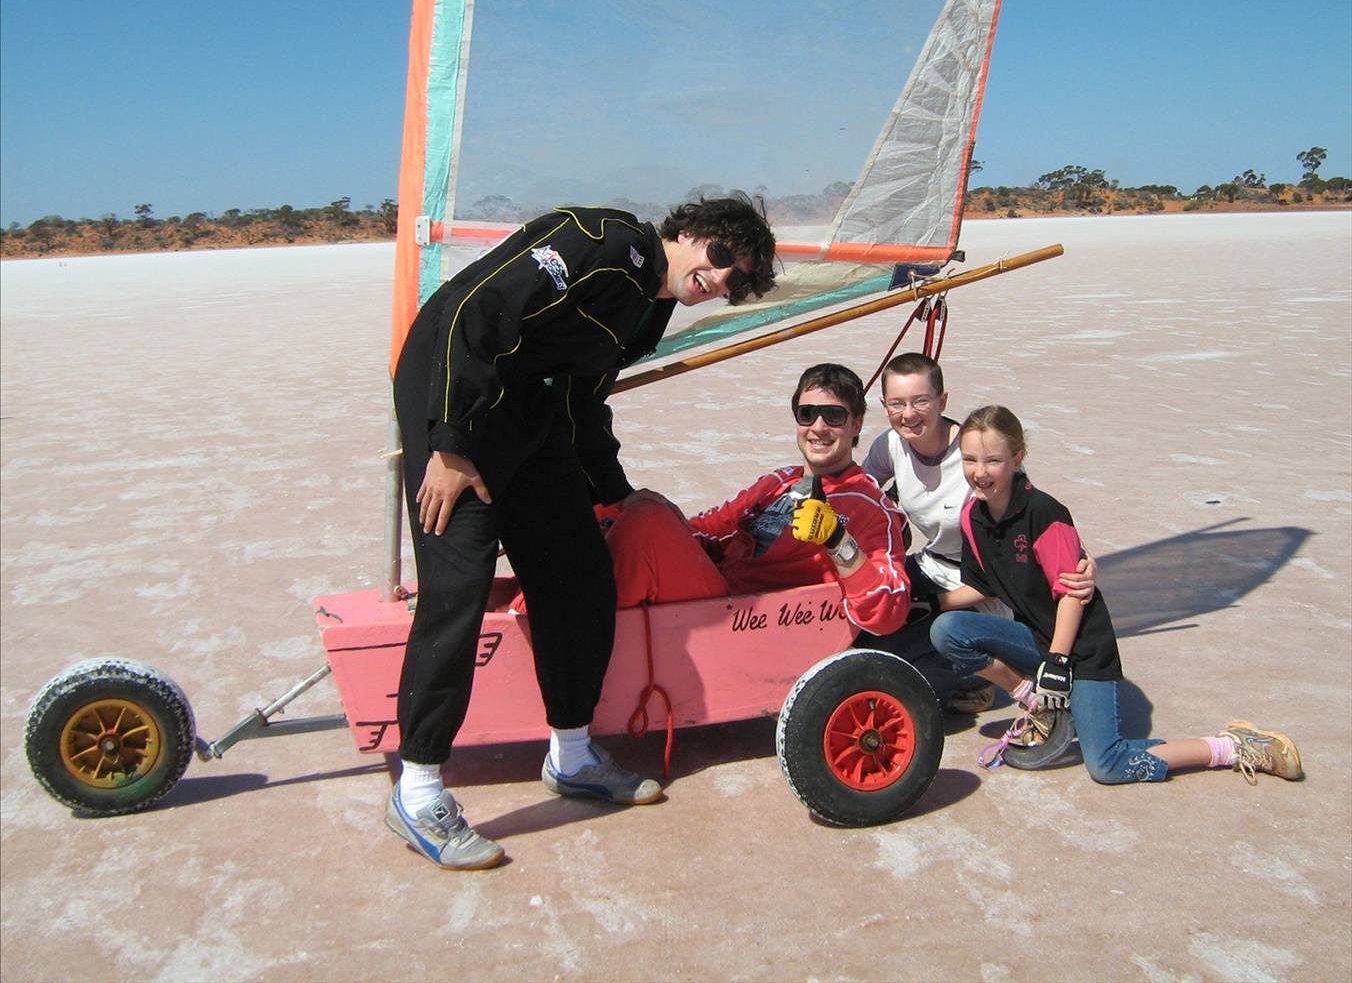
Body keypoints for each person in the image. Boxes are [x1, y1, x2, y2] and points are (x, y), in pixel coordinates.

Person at [387, 195, 777, 869]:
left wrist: (611, 492)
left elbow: (580, 398)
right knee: (458, 584)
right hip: (453, 390)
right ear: (688, 232)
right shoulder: (601, 241)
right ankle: (417, 790)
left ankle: (571, 755)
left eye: (736, 280)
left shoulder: (647, 308)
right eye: (720, 257)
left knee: (579, 572)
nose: (720, 280)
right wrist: (449, 444)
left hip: (527, 415)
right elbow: (477, 310)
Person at [929, 405, 1303, 785]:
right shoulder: (973, 516)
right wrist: (929, 603)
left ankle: (1233, 746)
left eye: (993, 460)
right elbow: (984, 586)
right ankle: (1036, 701)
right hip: (1036, 639)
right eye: (970, 459)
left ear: (1017, 458)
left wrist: (1058, 664)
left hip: (1081, 649)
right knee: (948, 629)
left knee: (1107, 765)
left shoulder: (1044, 513)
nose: (980, 472)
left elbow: (1072, 593)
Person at [594, 363, 913, 636]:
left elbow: (889, 610)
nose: (818, 427)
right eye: (807, 414)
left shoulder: (868, 506)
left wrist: (837, 540)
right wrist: (652, 511)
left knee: (646, 521)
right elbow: (711, 531)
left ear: (856, 424)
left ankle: (595, 641)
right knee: (611, 511)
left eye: (833, 416)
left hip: (750, 625)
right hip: (717, 594)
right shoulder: (779, 480)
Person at [859, 353, 1098, 714]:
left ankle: (984, 679)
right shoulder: (891, 445)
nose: (908, 414)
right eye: (897, 403)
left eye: (921, 401)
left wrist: (1085, 560)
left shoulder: (975, 454)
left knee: (898, 662)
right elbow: (858, 494)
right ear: (884, 406)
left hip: (982, 587)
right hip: (931, 565)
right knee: (860, 623)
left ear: (942, 401)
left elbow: (1031, 516)